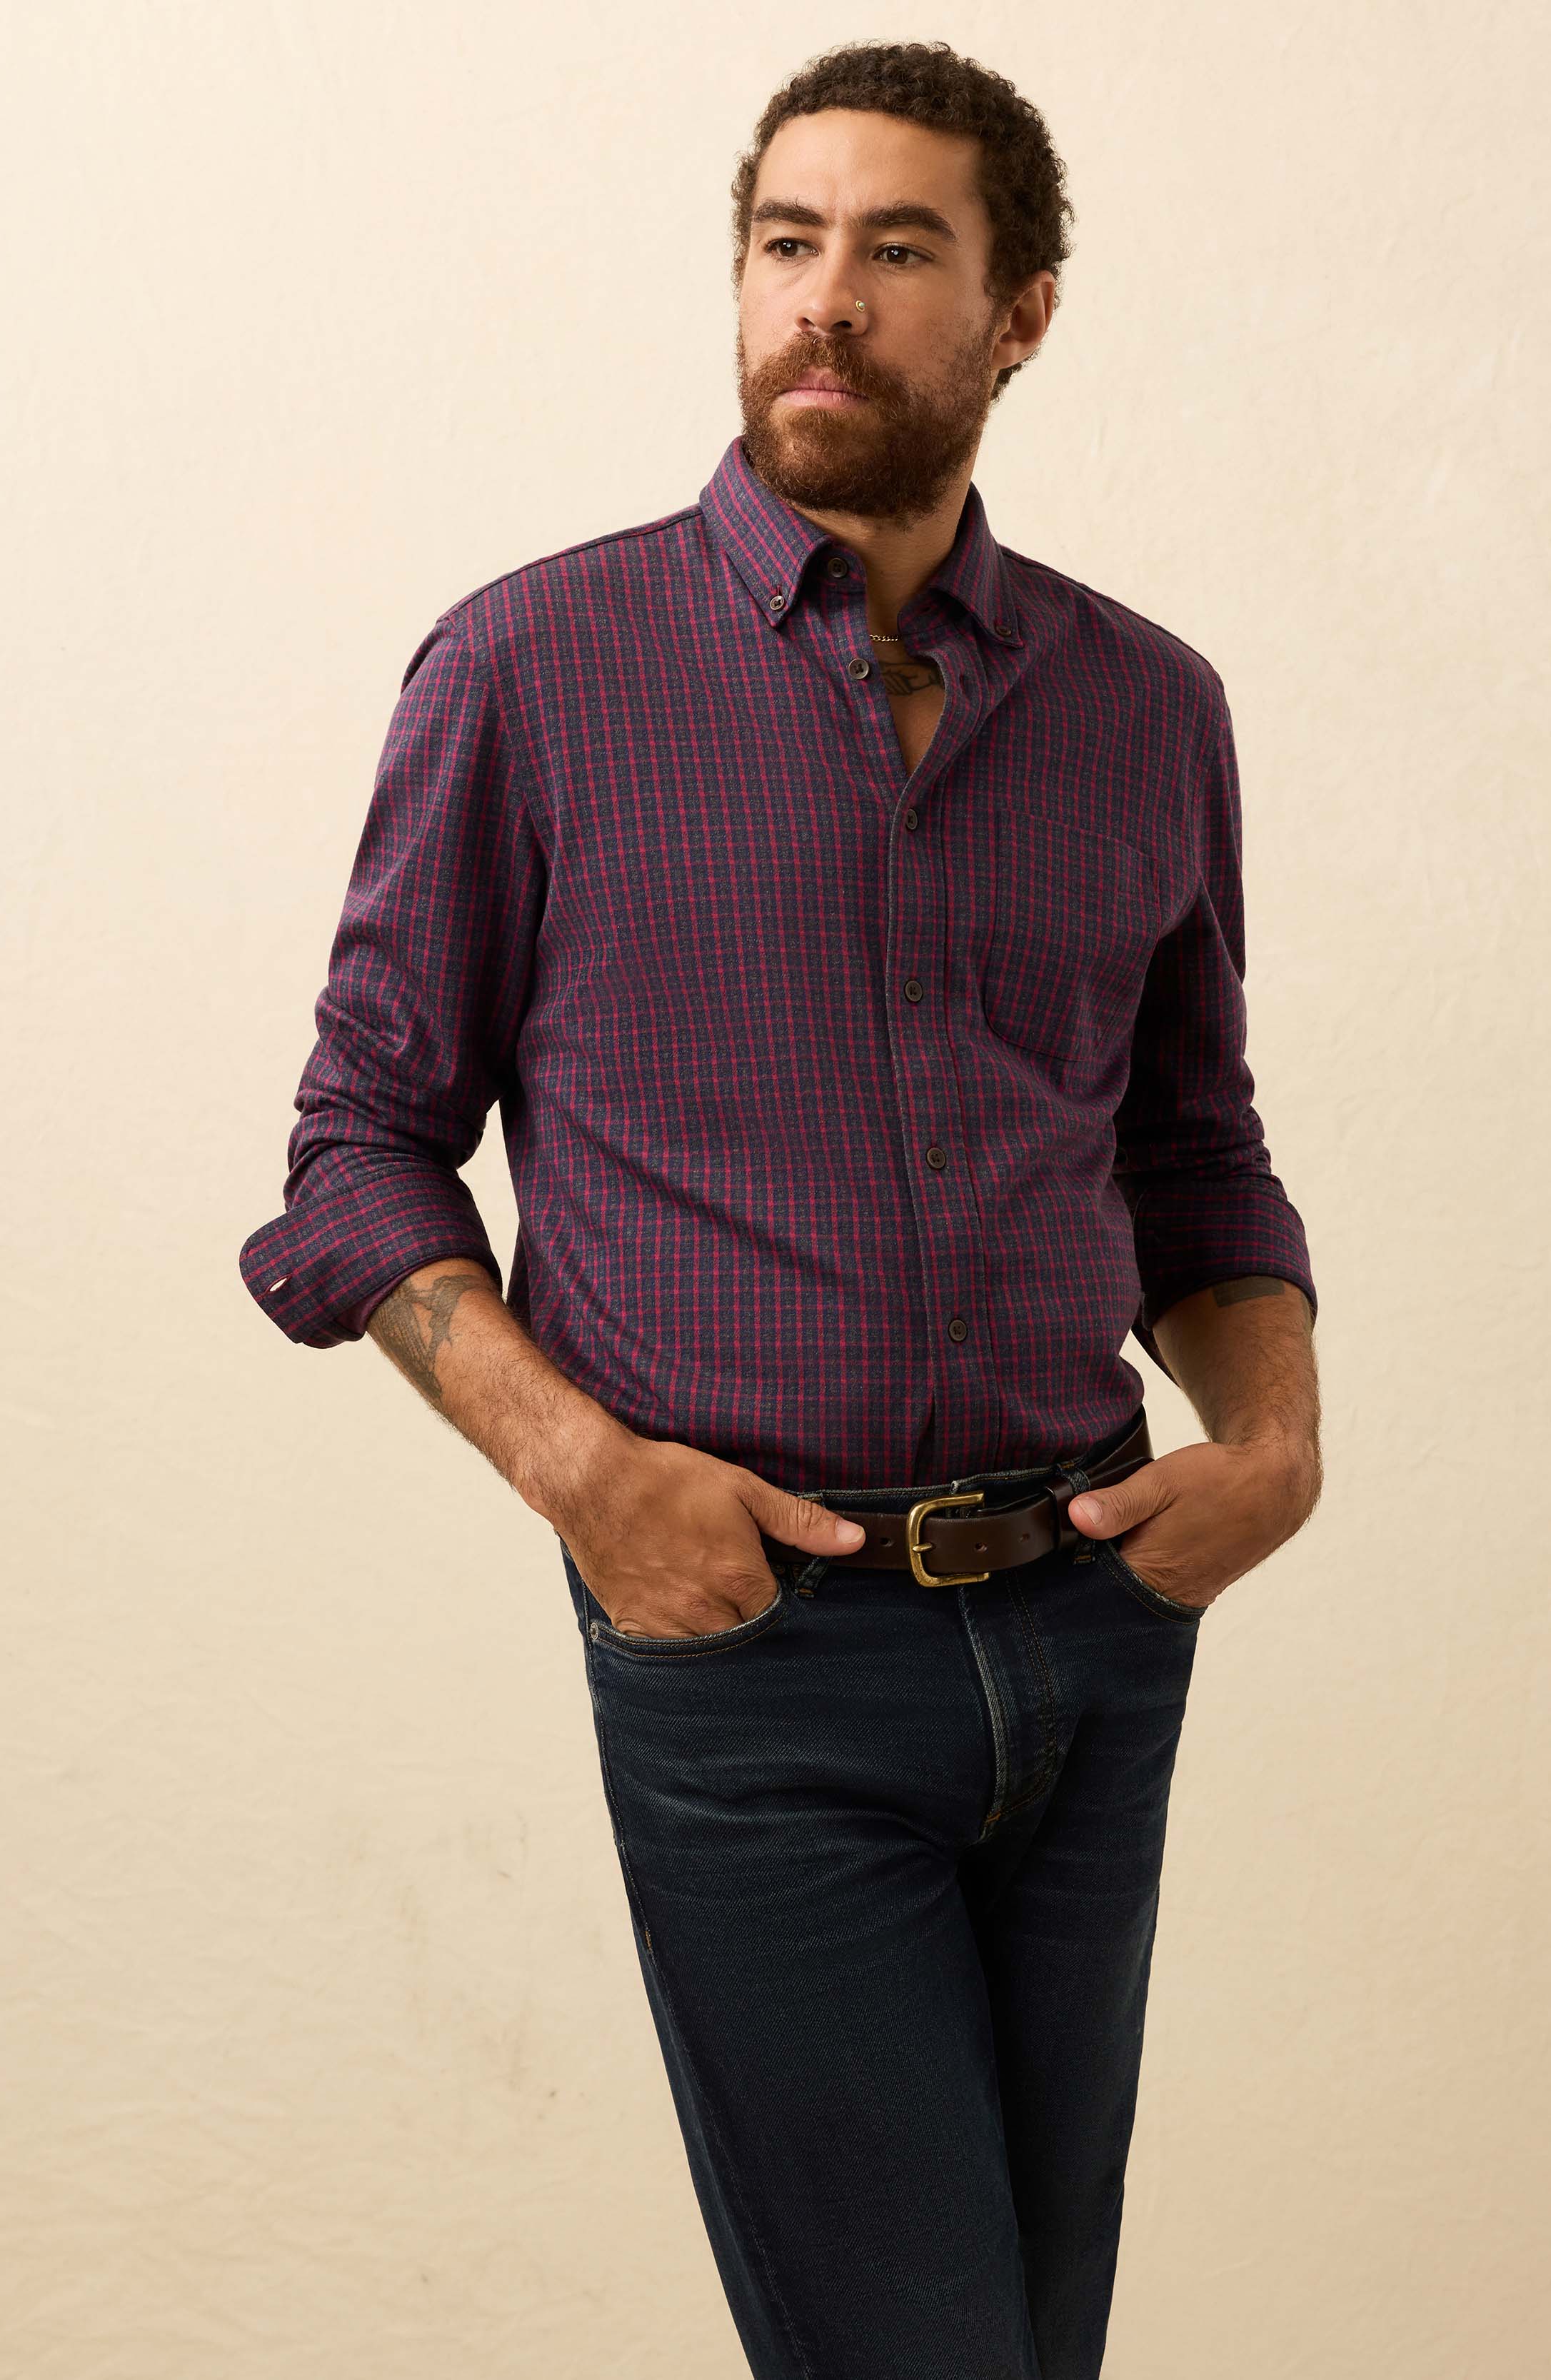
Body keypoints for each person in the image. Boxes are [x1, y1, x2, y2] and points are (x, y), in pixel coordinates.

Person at [237, 37, 1322, 2380]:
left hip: (1094, 1627)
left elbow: (1191, 1149)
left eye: (896, 251)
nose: (822, 302)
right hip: (757, 1655)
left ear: (1019, 312)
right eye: (782, 244)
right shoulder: (536, 668)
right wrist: (585, 1479)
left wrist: (1274, 1445)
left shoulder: (1149, 710)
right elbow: (351, 1157)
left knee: (1031, 2342)